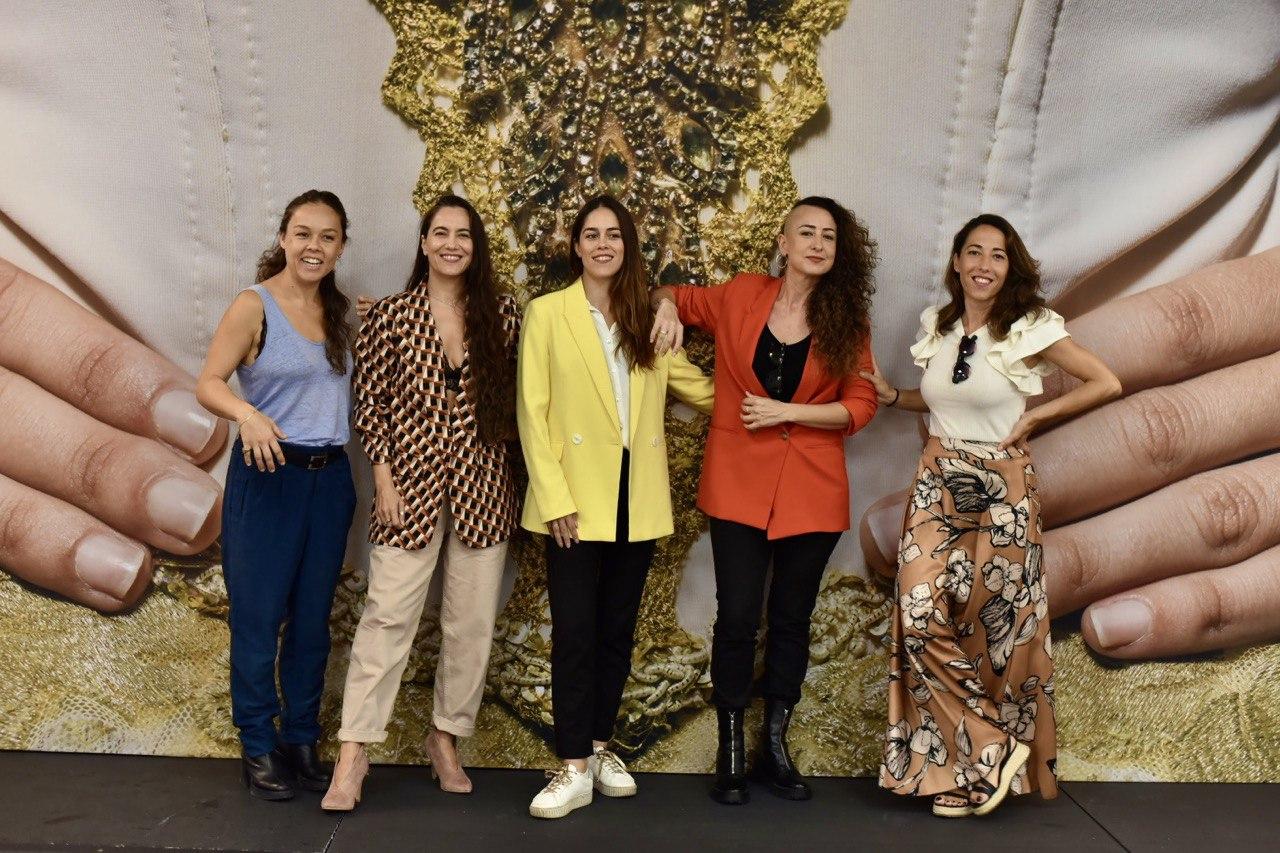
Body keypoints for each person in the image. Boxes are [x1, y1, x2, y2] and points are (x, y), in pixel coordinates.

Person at [864, 214, 1121, 817]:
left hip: (1002, 490)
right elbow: (940, 400)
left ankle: (968, 776)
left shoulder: (1029, 327)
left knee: (990, 629)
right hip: (936, 481)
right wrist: (893, 397)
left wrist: (1033, 421)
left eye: (997, 255)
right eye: (973, 252)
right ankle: (992, 744)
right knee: (920, 612)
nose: (984, 264)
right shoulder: (939, 325)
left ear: (1010, 266)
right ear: (956, 262)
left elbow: (1105, 381)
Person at [650, 196, 879, 803]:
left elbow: (861, 404)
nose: (817, 244)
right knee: (736, 618)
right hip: (737, 487)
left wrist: (790, 412)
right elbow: (669, 291)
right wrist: (668, 309)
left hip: (812, 490)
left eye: (829, 236)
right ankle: (729, 748)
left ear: (838, 251)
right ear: (782, 242)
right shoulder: (743, 294)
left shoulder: (847, 320)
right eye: (806, 232)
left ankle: (774, 746)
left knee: (790, 622)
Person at [517, 195, 714, 819]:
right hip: (574, 500)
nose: (603, 244)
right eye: (591, 234)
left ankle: (599, 748)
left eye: (614, 235)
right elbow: (533, 412)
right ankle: (571, 765)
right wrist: (554, 500)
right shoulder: (547, 314)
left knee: (617, 633)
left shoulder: (645, 320)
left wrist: (779, 400)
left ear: (628, 246)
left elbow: (698, 389)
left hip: (638, 495)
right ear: (575, 246)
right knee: (574, 633)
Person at [321, 195, 521, 809]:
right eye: (441, 233)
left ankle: (446, 736)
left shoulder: (505, 316)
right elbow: (370, 404)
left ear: (475, 246)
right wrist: (382, 477)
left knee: (471, 623)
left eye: (463, 234)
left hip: (484, 487)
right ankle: (354, 752)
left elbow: (521, 401)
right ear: (425, 242)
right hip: (407, 485)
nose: (451, 243)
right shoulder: (389, 316)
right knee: (387, 617)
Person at [195, 190, 358, 800]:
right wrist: (248, 415)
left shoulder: (340, 313)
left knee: (313, 622)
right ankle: (258, 745)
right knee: (260, 618)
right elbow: (208, 381)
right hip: (269, 476)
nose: (314, 246)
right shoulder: (253, 304)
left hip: (330, 479)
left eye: (327, 236)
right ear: (285, 239)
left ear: (341, 247)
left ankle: (300, 738)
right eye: (303, 233)